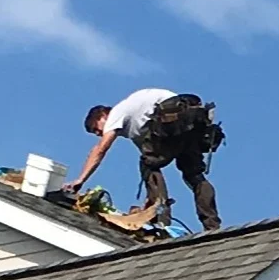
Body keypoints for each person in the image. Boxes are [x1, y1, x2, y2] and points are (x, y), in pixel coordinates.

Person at [64, 89, 225, 232]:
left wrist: (80, 180)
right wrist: (150, 197)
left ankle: (162, 221)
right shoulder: (138, 128)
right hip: (190, 124)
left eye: (95, 128)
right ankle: (212, 225)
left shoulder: (117, 112)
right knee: (194, 175)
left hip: (171, 119)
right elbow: (153, 160)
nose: (98, 133)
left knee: (146, 164)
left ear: (103, 115)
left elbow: (101, 149)